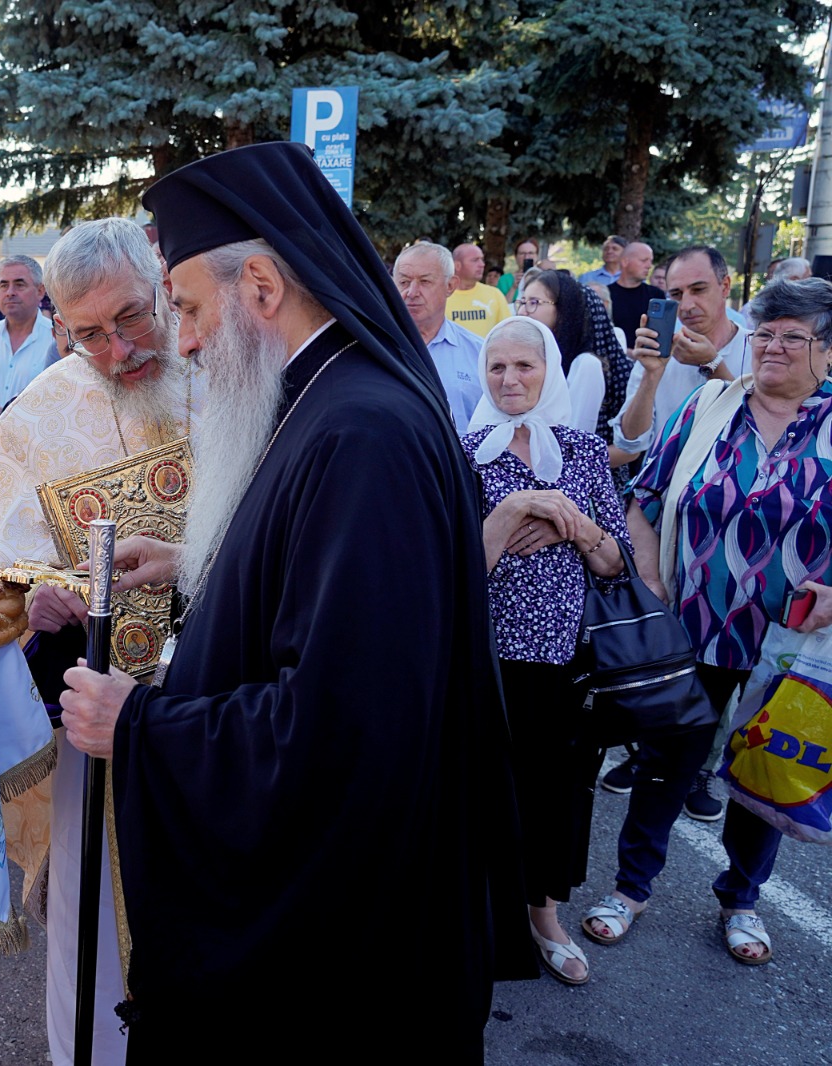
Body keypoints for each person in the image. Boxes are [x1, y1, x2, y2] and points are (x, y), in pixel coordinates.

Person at [57, 141, 532, 1060]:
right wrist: (205, 564)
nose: (184, 340)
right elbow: (323, 595)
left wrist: (139, 726)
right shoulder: (328, 396)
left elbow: (345, 730)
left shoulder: (357, 432)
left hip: (338, 967)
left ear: (263, 286)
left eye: (188, 307)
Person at [0, 217, 196, 1066]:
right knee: (100, 941)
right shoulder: (39, 415)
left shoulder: (226, 378)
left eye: (131, 318)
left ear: (162, 284)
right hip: (100, 735)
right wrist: (34, 592)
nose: (117, 348)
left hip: (230, 708)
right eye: (88, 331)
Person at [580, 277, 832, 967]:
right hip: (691, 628)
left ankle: (742, 900)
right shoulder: (713, 403)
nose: (773, 347)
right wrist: (652, 578)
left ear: (827, 351)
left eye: (793, 337)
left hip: (785, 647)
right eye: (766, 333)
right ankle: (630, 889)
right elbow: (646, 494)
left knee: (761, 775)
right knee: (667, 763)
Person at [463, 316, 629, 985]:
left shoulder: (585, 452)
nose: (509, 380)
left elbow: (616, 562)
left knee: (554, 792)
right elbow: (454, 569)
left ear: (549, 371)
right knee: (481, 788)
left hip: (564, 659)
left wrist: (572, 522)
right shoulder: (463, 450)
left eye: (523, 367)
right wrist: (510, 517)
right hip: (485, 656)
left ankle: (544, 916)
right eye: (497, 368)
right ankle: (478, 919)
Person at [612, 246, 751, 491]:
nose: (686, 305)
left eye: (698, 290)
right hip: (665, 496)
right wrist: (651, 375)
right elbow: (631, 442)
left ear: (725, 287)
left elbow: (755, 430)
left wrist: (712, 364)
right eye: (676, 294)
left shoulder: (759, 348)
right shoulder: (658, 354)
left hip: (736, 495)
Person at [516, 269, 639, 472]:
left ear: (564, 310)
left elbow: (571, 445)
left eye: (534, 302)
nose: (522, 312)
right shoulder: (547, 357)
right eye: (522, 301)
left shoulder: (585, 364)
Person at [391, 241, 483, 425]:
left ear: (450, 286)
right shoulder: (373, 347)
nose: (412, 292)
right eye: (404, 282)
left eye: (425, 282)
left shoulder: (479, 353)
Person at [0, 254, 56, 418]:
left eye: (19, 285)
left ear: (40, 291)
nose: (10, 292)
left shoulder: (57, 341)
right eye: (4, 285)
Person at [446, 241, 513, 336]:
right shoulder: (441, 296)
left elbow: (507, 331)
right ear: (457, 265)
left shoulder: (494, 294)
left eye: (482, 259)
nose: (482, 264)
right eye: (475, 260)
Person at [608, 240, 663, 341]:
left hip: (648, 354)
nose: (649, 266)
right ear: (625, 262)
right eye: (644, 260)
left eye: (651, 261)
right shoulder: (606, 294)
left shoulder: (656, 295)